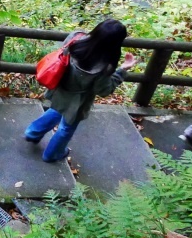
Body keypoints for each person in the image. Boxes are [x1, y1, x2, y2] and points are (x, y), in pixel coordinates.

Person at [25, 19, 136, 163]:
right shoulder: (105, 66)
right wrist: (122, 70)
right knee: (66, 128)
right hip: (78, 100)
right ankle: (51, 154)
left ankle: (32, 133)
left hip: (61, 88)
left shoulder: (75, 38)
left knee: (56, 109)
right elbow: (103, 90)